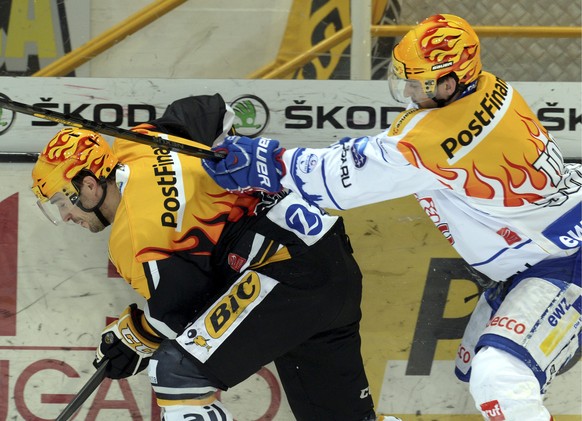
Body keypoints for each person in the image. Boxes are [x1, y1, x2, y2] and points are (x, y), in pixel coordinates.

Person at [202, 14, 582, 421]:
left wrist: (270, 163)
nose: (406, 90)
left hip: (562, 261)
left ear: (448, 84)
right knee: (477, 367)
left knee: (498, 378)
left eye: (415, 82)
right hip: (546, 247)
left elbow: (348, 179)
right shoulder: (486, 89)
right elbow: (386, 155)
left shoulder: (441, 136)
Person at [30, 93, 397, 421]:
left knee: (176, 375)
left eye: (63, 202)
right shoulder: (141, 141)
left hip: (288, 274)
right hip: (327, 258)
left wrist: (139, 334)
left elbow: (186, 314)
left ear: (89, 185)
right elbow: (207, 109)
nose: (66, 216)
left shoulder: (135, 237)